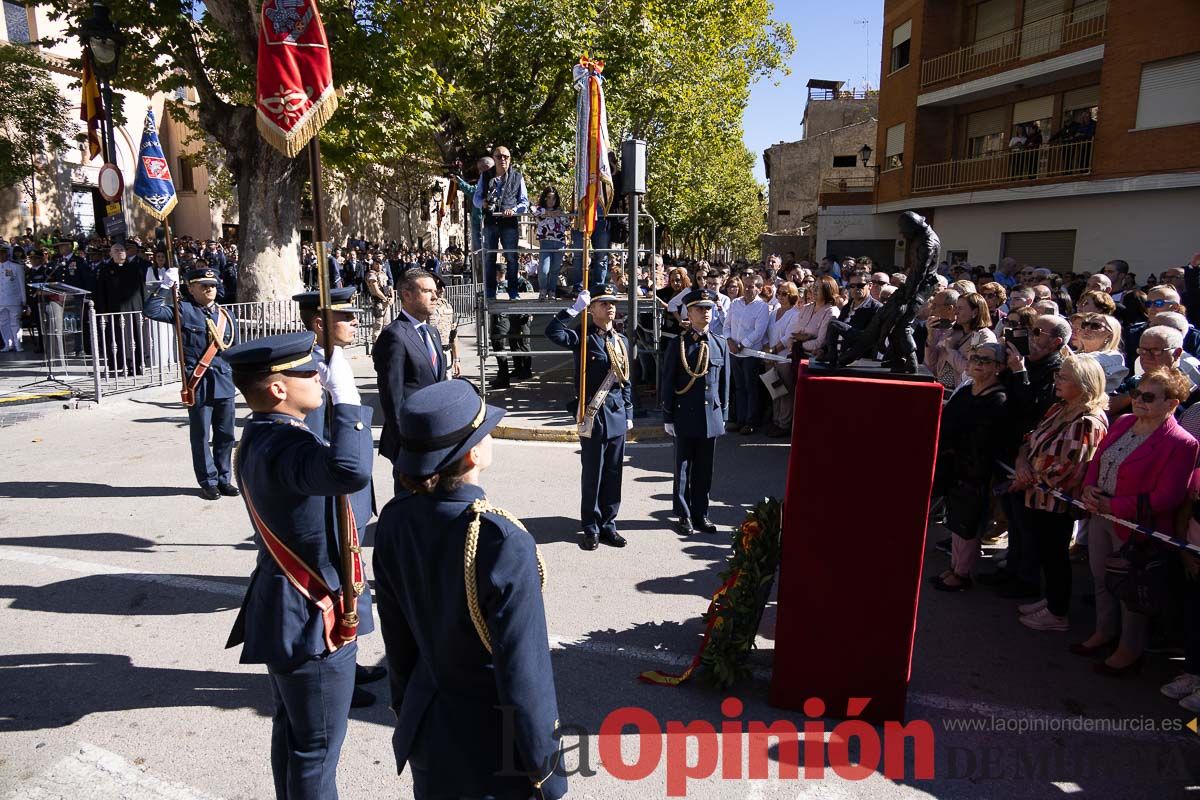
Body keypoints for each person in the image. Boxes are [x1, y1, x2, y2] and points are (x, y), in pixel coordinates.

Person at [373, 380, 567, 800]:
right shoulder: (499, 538)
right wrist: (546, 771)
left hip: (427, 727)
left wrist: (406, 710)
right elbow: (524, 672)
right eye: (485, 432)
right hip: (489, 744)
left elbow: (399, 639)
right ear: (473, 453)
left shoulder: (394, 518)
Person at [222, 331, 375, 800]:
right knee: (317, 750)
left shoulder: (267, 434)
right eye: (307, 371)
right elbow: (351, 471)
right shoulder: (286, 445)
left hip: (286, 604)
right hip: (311, 613)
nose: (319, 376)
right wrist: (347, 401)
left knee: (295, 737)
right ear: (278, 388)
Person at [1077, 367, 1199, 674]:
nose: (1139, 401)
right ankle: (1104, 631)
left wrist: (1114, 505)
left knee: (1131, 590)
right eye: (1136, 394)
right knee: (1100, 577)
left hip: (1136, 528)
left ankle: (1129, 651)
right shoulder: (1125, 422)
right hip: (1101, 513)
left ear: (1172, 403)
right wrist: (1089, 488)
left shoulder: (1182, 443)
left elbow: (1168, 497)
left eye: (1148, 397)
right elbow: (1099, 458)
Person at [1011, 355, 1109, 630]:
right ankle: (1051, 599)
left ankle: (1057, 612)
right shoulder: (1058, 409)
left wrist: (1026, 477)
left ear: (1084, 384)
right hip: (1035, 493)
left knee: (1055, 556)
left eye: (1063, 377)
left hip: (1055, 502)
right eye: (1058, 375)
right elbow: (1030, 440)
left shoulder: (1088, 421)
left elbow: (1066, 466)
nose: (1057, 381)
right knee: (1045, 553)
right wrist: (1021, 463)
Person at [545, 284, 633, 550]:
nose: (610, 307)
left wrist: (628, 411)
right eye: (603, 303)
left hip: (616, 414)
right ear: (591, 308)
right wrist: (573, 309)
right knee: (593, 473)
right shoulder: (582, 337)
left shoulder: (622, 340)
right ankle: (591, 527)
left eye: (612, 303)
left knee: (614, 473)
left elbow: (626, 379)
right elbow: (553, 332)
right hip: (592, 415)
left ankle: (609, 524)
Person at [144, 267, 237, 500]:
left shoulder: (226, 315)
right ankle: (208, 481)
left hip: (224, 381)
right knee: (201, 435)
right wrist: (166, 286)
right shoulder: (183, 310)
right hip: (199, 382)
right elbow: (151, 311)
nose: (210, 289)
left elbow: (233, 350)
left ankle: (225, 478)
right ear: (191, 288)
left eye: (213, 285)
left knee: (226, 435)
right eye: (204, 285)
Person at [930, 343, 1010, 591]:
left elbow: (984, 441)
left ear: (999, 367)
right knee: (956, 522)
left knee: (969, 525)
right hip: (955, 468)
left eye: (985, 360)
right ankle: (954, 567)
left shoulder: (999, 399)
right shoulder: (967, 392)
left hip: (977, 473)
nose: (978, 363)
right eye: (975, 357)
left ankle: (962, 574)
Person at [660, 288, 729, 535]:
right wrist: (668, 415)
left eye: (709, 308)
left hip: (711, 416)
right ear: (689, 312)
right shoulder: (678, 344)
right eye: (700, 308)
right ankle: (683, 514)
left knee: (704, 468)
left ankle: (701, 513)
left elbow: (724, 384)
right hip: (685, 413)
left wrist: (724, 415)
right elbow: (667, 382)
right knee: (683, 468)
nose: (706, 312)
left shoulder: (720, 343)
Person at [374, 269, 448, 468]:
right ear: (406, 295)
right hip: (410, 442)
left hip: (435, 437)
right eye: (427, 291)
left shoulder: (432, 332)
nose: (435, 297)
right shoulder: (394, 336)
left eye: (436, 291)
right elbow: (392, 398)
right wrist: (407, 443)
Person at [474, 146, 529, 300]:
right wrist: (483, 203)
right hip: (490, 222)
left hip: (509, 224)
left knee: (511, 257)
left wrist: (514, 210)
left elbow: (524, 201)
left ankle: (513, 291)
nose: (503, 159)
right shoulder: (485, 177)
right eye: (499, 156)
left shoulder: (518, 177)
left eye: (506, 156)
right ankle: (490, 291)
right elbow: (476, 198)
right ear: (494, 158)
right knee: (489, 256)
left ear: (510, 159)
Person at [726, 274, 770, 435]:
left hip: (750, 353)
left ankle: (751, 421)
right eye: (746, 286)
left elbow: (759, 332)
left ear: (759, 289)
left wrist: (742, 344)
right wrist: (730, 341)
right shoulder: (735, 303)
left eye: (752, 286)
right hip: (734, 352)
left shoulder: (762, 307)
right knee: (739, 387)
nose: (748, 289)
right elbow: (727, 325)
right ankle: (739, 419)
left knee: (751, 388)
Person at [1075, 313, 1128, 392]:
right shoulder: (1074, 354)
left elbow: (1085, 365)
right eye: (1084, 324)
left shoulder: (1114, 357)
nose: (1087, 328)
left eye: (1095, 326)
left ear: (1109, 335)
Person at [534, 187, 568, 301]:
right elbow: (536, 213)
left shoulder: (560, 210)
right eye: (548, 197)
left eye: (554, 198)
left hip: (559, 243)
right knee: (543, 270)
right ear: (544, 198)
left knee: (555, 270)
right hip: (545, 242)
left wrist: (558, 214)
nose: (551, 201)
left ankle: (552, 291)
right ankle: (543, 289)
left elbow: (567, 223)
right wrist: (551, 213)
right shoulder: (539, 209)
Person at [0, 244, 26, 352]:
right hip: (1, 301)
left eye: (3, 253)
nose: (1, 255)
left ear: (7, 254)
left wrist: (23, 300)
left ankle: (17, 344)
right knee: (3, 323)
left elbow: (21, 284)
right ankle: (8, 344)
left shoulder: (16, 266)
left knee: (15, 322)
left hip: (13, 299)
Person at [364, 257, 393, 341]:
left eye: (380, 264)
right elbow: (376, 290)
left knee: (387, 325)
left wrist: (391, 298)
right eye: (377, 264)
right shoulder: (371, 275)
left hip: (385, 301)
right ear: (373, 264)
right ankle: (375, 345)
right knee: (378, 324)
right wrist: (385, 299)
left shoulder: (383, 273)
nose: (379, 266)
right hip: (378, 301)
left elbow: (389, 287)